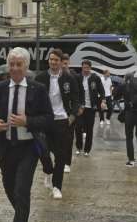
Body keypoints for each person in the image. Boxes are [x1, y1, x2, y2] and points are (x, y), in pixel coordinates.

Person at [0, 47, 53, 222]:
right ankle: (22, 217)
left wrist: (27, 121)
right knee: (9, 188)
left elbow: (48, 119)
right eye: (11, 64)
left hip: (28, 148)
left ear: (26, 67)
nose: (14, 68)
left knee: (22, 190)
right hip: (6, 147)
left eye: (18, 64)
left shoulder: (37, 89)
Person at [35, 48, 79, 199]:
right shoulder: (40, 77)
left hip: (62, 120)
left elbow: (76, 98)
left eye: (56, 60)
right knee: (44, 151)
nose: (53, 62)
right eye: (51, 59)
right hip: (45, 120)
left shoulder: (69, 78)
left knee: (60, 155)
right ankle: (47, 170)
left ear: (61, 63)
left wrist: (72, 115)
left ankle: (57, 186)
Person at [75, 60, 105, 156]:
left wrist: (103, 101)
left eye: (87, 67)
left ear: (90, 68)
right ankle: (79, 147)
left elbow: (102, 91)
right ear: (82, 67)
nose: (86, 69)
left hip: (91, 108)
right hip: (80, 107)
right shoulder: (77, 77)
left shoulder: (95, 78)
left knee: (89, 129)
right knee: (78, 127)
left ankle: (87, 150)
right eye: (84, 67)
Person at [60, 53, 81, 173]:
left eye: (66, 62)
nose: (64, 64)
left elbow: (78, 93)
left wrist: (77, 108)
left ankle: (67, 162)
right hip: (57, 112)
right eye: (63, 62)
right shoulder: (55, 75)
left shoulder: (74, 76)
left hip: (69, 112)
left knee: (68, 139)